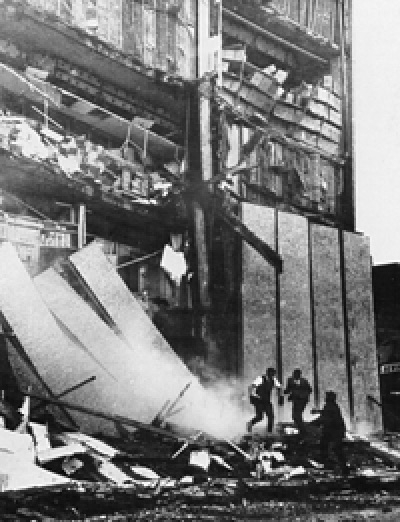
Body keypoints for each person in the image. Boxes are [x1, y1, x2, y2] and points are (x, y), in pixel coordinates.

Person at [311, 391, 348, 475]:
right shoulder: (332, 406)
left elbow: (325, 418)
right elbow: (325, 414)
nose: (325, 398)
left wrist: (312, 423)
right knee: (326, 446)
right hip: (334, 430)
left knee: (334, 448)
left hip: (335, 431)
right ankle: (339, 466)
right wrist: (318, 412)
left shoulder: (330, 407)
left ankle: (340, 467)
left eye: (327, 397)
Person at [247, 367, 283, 434]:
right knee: (260, 417)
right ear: (267, 373)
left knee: (271, 416)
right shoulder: (260, 379)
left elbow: (280, 387)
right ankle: (250, 424)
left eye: (273, 374)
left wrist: (280, 396)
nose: (272, 376)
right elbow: (251, 387)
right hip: (259, 401)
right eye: (271, 374)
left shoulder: (273, 380)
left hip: (266, 401)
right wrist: (253, 395)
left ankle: (269, 431)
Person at [284, 368, 312, 434]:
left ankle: (302, 430)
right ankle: (302, 429)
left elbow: (310, 390)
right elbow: (288, 389)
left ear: (300, 375)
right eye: (295, 374)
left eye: (297, 374)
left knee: (297, 415)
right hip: (296, 400)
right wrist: (285, 393)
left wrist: (301, 393)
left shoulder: (304, 381)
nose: (296, 376)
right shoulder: (290, 380)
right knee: (295, 415)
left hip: (302, 400)